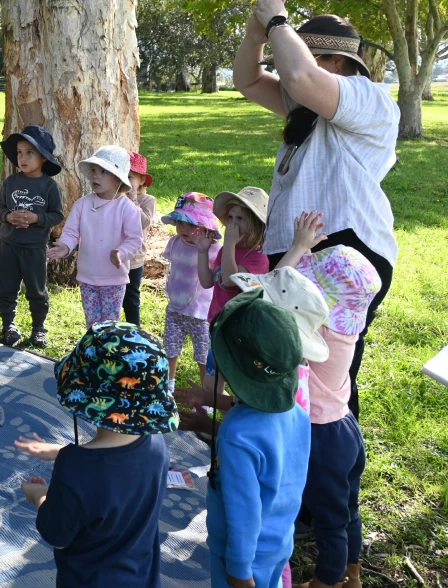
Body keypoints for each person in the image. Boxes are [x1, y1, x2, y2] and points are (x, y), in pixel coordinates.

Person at [232, 0, 398, 420]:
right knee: (287, 367)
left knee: (326, 384)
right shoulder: (304, 109)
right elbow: (247, 81)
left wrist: (277, 23)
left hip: (345, 252)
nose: (289, 73)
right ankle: (290, 469)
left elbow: (302, 77)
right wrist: (255, 36)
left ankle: (330, 468)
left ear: (338, 64)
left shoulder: (370, 98)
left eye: (311, 55)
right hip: (298, 250)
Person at [246, 212, 380, 588]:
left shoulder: (312, 330)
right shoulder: (345, 328)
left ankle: (326, 580)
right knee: (346, 509)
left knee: (329, 520)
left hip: (320, 435)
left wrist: (300, 247)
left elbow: (267, 292)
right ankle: (350, 574)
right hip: (346, 429)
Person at [19, 322, 176, 587]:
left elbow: (57, 534)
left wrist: (40, 496)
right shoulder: (156, 443)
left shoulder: (75, 468)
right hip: (142, 576)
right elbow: (117, 471)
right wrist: (59, 452)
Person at [207, 289, 312, 588]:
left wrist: (239, 572)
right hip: (279, 541)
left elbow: (244, 510)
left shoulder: (237, 435)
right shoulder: (298, 414)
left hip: (242, 560)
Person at [47, 146, 142, 330]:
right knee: (92, 325)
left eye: (104, 171)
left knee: (109, 326)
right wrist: (65, 246)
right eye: (94, 170)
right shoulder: (83, 204)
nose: (95, 176)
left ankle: (107, 356)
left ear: (118, 179)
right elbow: (71, 232)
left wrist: (121, 253)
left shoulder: (127, 208)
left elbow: (134, 240)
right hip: (87, 277)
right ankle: (93, 355)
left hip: (114, 279)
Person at [0, 126, 65, 348]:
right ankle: (8, 326)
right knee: (6, 287)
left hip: (35, 247)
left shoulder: (50, 186)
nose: (22, 158)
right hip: (8, 245)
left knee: (36, 290)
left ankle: (39, 328)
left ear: (43, 157)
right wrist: (9, 217)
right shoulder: (11, 182)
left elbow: (57, 215)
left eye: (29, 153)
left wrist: (35, 218)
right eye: (19, 152)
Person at [160, 193, 221, 390]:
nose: (183, 228)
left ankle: (207, 392)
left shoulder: (214, 250)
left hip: (201, 313)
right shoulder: (175, 243)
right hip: (175, 308)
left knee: (203, 356)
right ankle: (168, 386)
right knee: (170, 349)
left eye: (191, 224)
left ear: (206, 227)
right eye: (179, 222)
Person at [201, 187, 270, 323]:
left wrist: (229, 244)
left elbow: (229, 280)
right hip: (216, 322)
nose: (233, 223)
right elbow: (207, 282)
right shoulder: (227, 249)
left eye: (240, 218)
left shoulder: (259, 257)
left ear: (256, 224)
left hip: (237, 328)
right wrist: (202, 252)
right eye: (231, 217)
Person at [123, 152, 156, 326]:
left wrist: (133, 199)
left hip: (134, 259)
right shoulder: (115, 198)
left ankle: (134, 333)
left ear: (142, 180)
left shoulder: (147, 200)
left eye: (130, 177)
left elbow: (143, 222)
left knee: (131, 299)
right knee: (112, 297)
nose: (125, 181)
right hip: (114, 257)